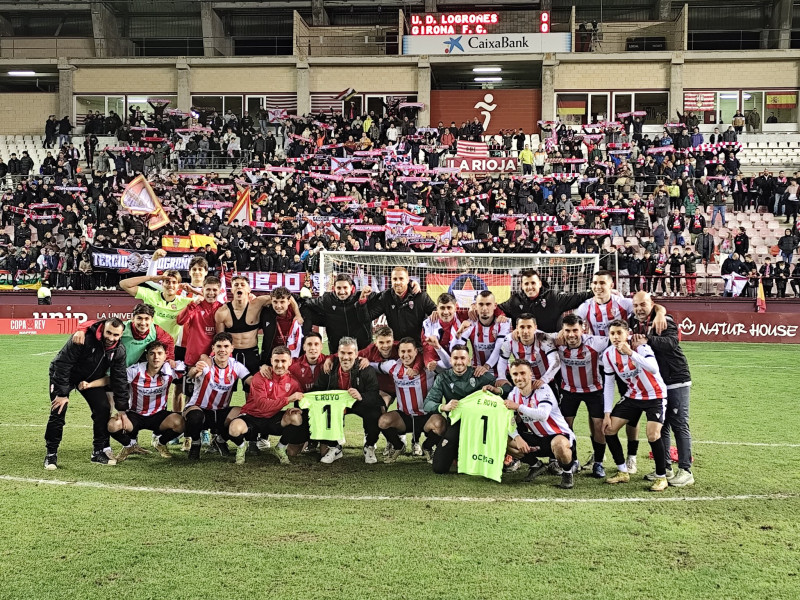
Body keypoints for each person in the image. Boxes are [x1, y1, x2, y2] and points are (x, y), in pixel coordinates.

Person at [44, 318, 130, 469]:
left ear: (121, 334)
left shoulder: (119, 351)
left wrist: (122, 407)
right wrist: (62, 393)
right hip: (64, 377)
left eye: (115, 335)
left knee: (103, 408)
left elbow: (119, 378)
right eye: (108, 332)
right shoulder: (83, 338)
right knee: (58, 410)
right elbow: (62, 364)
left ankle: (98, 452)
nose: (111, 338)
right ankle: (51, 454)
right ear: (103, 329)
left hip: (90, 379)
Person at [630, 292, 694, 487]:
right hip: (658, 382)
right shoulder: (634, 322)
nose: (639, 308)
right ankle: (665, 467)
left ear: (652, 304)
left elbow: (672, 342)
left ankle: (686, 470)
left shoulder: (663, 320)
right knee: (662, 424)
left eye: (643, 304)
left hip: (676, 378)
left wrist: (647, 340)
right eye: (636, 305)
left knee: (679, 424)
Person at [601, 320, 670, 492]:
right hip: (633, 396)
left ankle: (662, 477)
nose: (616, 337)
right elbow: (609, 384)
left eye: (619, 333)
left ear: (627, 333)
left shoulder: (640, 347)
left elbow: (653, 369)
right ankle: (622, 471)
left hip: (655, 395)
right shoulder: (608, 354)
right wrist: (607, 413)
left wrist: (630, 353)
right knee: (608, 429)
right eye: (612, 334)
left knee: (653, 435)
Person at [485, 360, 576, 489]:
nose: (519, 377)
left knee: (559, 444)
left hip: (559, 435)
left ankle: (567, 473)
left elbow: (543, 415)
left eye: (523, 373)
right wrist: (517, 438)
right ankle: (536, 465)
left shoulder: (543, 389)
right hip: (538, 438)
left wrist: (518, 407)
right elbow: (507, 421)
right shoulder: (513, 394)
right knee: (502, 437)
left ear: (530, 375)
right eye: (515, 374)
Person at [422, 345, 497, 475]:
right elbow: (427, 403)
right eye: (455, 358)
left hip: (477, 426)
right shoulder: (443, 378)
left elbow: (505, 390)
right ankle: (449, 450)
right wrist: (443, 407)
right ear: (450, 361)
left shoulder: (479, 375)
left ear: (469, 360)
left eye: (463, 358)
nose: (459, 362)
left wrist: (498, 390)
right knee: (439, 468)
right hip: (455, 424)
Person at [106, 340, 185, 461]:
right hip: (135, 415)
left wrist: (200, 365)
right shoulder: (135, 371)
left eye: (159, 353)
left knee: (181, 423)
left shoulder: (170, 369)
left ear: (165, 356)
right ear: (147, 356)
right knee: (112, 425)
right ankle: (129, 446)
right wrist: (90, 384)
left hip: (159, 416)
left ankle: (160, 443)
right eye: (152, 353)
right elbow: (114, 380)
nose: (156, 357)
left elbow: (190, 368)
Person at [309, 337, 382, 464]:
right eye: (343, 353)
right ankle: (335, 447)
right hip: (337, 405)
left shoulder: (366, 369)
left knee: (375, 413)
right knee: (323, 410)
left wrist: (361, 396)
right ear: (338, 354)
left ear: (356, 354)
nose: (346, 357)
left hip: (358, 402)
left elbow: (374, 394)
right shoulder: (329, 368)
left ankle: (369, 446)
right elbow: (317, 389)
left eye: (350, 353)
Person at [228, 346, 305, 465]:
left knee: (296, 417)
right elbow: (262, 405)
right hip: (252, 417)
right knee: (234, 429)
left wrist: (296, 408)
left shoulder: (293, 382)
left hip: (273, 419)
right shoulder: (260, 377)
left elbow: (301, 398)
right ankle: (242, 446)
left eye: (283, 361)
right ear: (271, 361)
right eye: (276, 361)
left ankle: (280, 447)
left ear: (290, 361)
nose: (279, 365)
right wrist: (288, 399)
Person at [554, 314, 610, 478]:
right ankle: (574, 461)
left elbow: (616, 339)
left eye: (575, 330)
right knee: (565, 426)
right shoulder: (556, 342)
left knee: (599, 426)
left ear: (582, 329)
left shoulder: (595, 342)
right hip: (569, 390)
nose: (571, 335)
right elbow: (537, 335)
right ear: (562, 331)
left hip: (594, 390)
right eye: (567, 331)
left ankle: (598, 463)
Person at [183, 333, 253, 461]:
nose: (222, 350)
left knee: (245, 415)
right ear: (213, 348)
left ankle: (219, 440)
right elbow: (193, 374)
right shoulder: (206, 364)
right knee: (195, 417)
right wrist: (195, 370)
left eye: (226, 346)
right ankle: (196, 443)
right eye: (219, 346)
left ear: (232, 348)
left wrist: (270, 377)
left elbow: (251, 381)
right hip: (200, 408)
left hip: (221, 411)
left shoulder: (236, 365)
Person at [377, 337, 447, 463]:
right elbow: (371, 366)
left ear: (416, 351)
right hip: (405, 417)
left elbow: (447, 365)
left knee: (440, 425)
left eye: (409, 351)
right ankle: (398, 446)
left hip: (426, 416)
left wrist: (438, 349)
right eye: (402, 352)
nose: (406, 355)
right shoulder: (392, 366)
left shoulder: (428, 367)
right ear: (398, 353)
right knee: (383, 421)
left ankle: (427, 447)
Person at [214, 275, 273, 381]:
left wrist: (297, 314)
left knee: (251, 390)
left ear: (248, 289)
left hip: (251, 354)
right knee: (227, 389)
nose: (239, 287)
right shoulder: (222, 312)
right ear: (231, 290)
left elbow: (283, 296)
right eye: (236, 285)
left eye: (242, 285)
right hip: (231, 355)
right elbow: (220, 338)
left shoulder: (257, 304)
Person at [499, 268, 592, 332]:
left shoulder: (553, 297)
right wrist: (500, 314)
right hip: (525, 347)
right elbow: (496, 308)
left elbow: (578, 298)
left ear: (540, 284)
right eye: (526, 284)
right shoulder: (515, 300)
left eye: (533, 283)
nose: (530, 287)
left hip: (550, 344)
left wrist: (596, 292)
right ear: (521, 286)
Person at [300, 274, 376, 352]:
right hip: (338, 353)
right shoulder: (327, 300)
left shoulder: (363, 297)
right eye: (339, 288)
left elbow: (383, 301)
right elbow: (306, 303)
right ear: (334, 288)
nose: (342, 292)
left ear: (351, 287)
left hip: (363, 352)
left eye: (345, 287)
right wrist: (294, 304)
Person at [119, 270, 193, 343]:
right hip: (147, 345)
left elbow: (203, 300)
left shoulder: (185, 302)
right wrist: (150, 278)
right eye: (167, 281)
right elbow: (123, 284)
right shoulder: (150, 295)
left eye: (174, 282)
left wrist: (193, 291)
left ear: (178, 285)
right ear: (162, 284)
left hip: (168, 348)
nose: (170, 285)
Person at [449, 290, 510, 372]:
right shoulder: (470, 324)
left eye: (488, 304)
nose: (484, 308)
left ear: (495, 306)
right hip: (476, 371)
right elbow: (453, 350)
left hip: (500, 372)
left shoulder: (503, 323)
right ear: (475, 306)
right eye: (481, 304)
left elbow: (498, 349)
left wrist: (485, 367)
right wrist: (458, 333)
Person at [496, 314, 559, 392]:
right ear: (517, 328)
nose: (525, 331)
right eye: (522, 327)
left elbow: (555, 361)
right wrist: (502, 377)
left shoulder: (543, 338)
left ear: (535, 327)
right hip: (521, 381)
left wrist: (544, 380)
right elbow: (502, 360)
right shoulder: (509, 340)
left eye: (529, 327)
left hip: (544, 380)